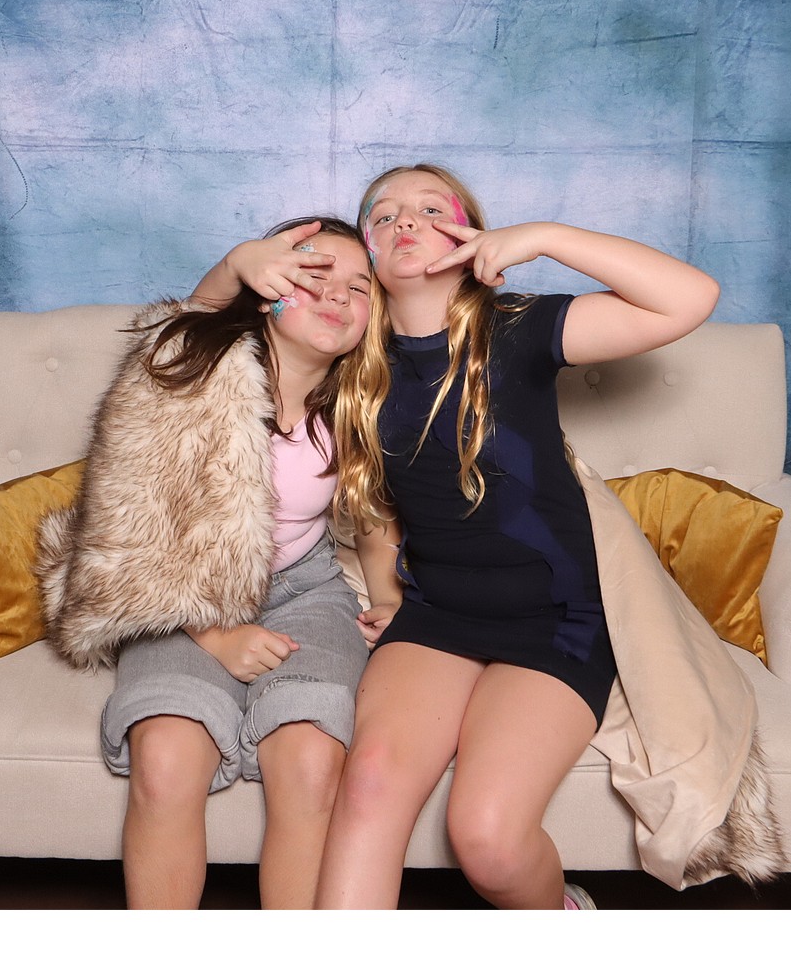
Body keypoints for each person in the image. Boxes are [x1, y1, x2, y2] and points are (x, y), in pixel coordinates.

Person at [306, 163, 721, 910]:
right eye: (383, 215)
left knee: (488, 838)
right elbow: (376, 505)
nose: (405, 220)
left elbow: (690, 297)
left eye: (430, 209)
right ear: (366, 252)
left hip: (555, 619)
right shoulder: (349, 359)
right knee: (366, 785)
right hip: (437, 615)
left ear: (470, 235)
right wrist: (388, 597)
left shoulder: (518, 327)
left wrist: (546, 236)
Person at [39, 216, 402, 910]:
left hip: (305, 591)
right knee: (165, 758)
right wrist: (213, 635)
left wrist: (387, 596)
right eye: (314, 275)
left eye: (360, 288)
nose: (338, 294)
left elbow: (375, 511)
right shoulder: (191, 369)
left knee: (309, 759)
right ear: (268, 291)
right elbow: (132, 530)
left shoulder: (359, 402)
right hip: (177, 590)